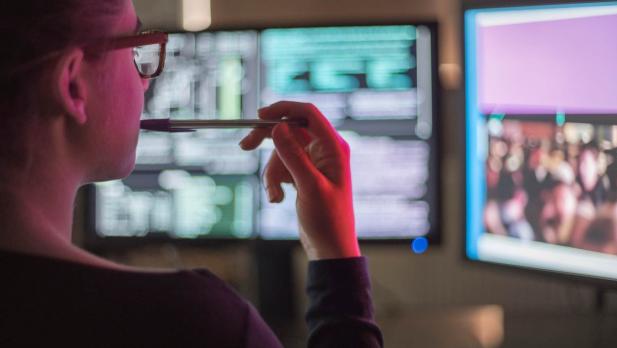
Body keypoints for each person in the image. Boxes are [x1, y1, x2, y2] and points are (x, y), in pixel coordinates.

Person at [0, 1, 383, 346]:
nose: (146, 78)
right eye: (135, 49)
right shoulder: (196, 324)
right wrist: (336, 255)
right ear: (73, 85)